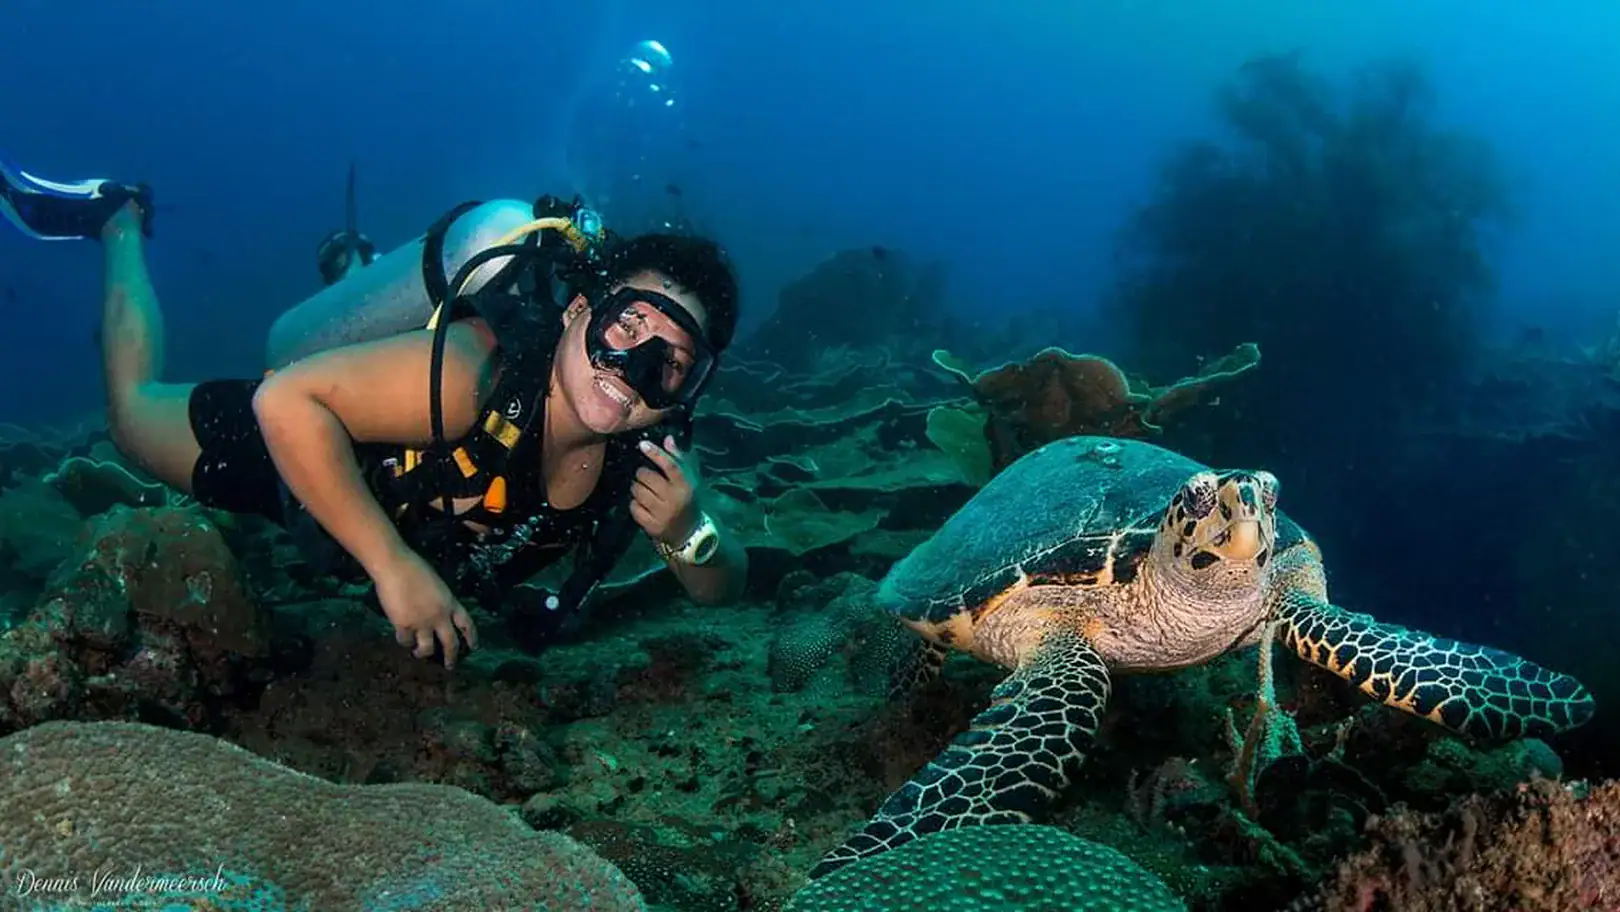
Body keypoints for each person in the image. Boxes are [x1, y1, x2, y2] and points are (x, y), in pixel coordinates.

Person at [0, 158, 749, 669]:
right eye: (626, 330)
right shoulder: (477, 372)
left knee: (358, 364)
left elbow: (723, 589)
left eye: (671, 365)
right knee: (132, 421)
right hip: (301, 471)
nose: (633, 374)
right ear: (581, 309)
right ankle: (117, 220)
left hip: (371, 488)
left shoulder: (646, 458)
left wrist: (692, 532)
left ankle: (354, 275)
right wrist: (392, 567)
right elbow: (284, 401)